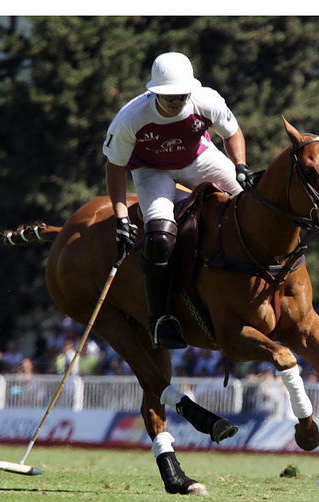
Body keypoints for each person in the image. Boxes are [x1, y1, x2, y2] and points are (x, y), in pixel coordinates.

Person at [103, 52, 251, 349]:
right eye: (170, 97)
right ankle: (158, 318)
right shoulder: (131, 118)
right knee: (159, 236)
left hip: (199, 158)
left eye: (182, 95)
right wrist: (121, 217)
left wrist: (240, 166)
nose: (177, 101)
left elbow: (232, 132)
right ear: (155, 92)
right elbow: (115, 167)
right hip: (151, 170)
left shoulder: (206, 100)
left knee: (249, 205)